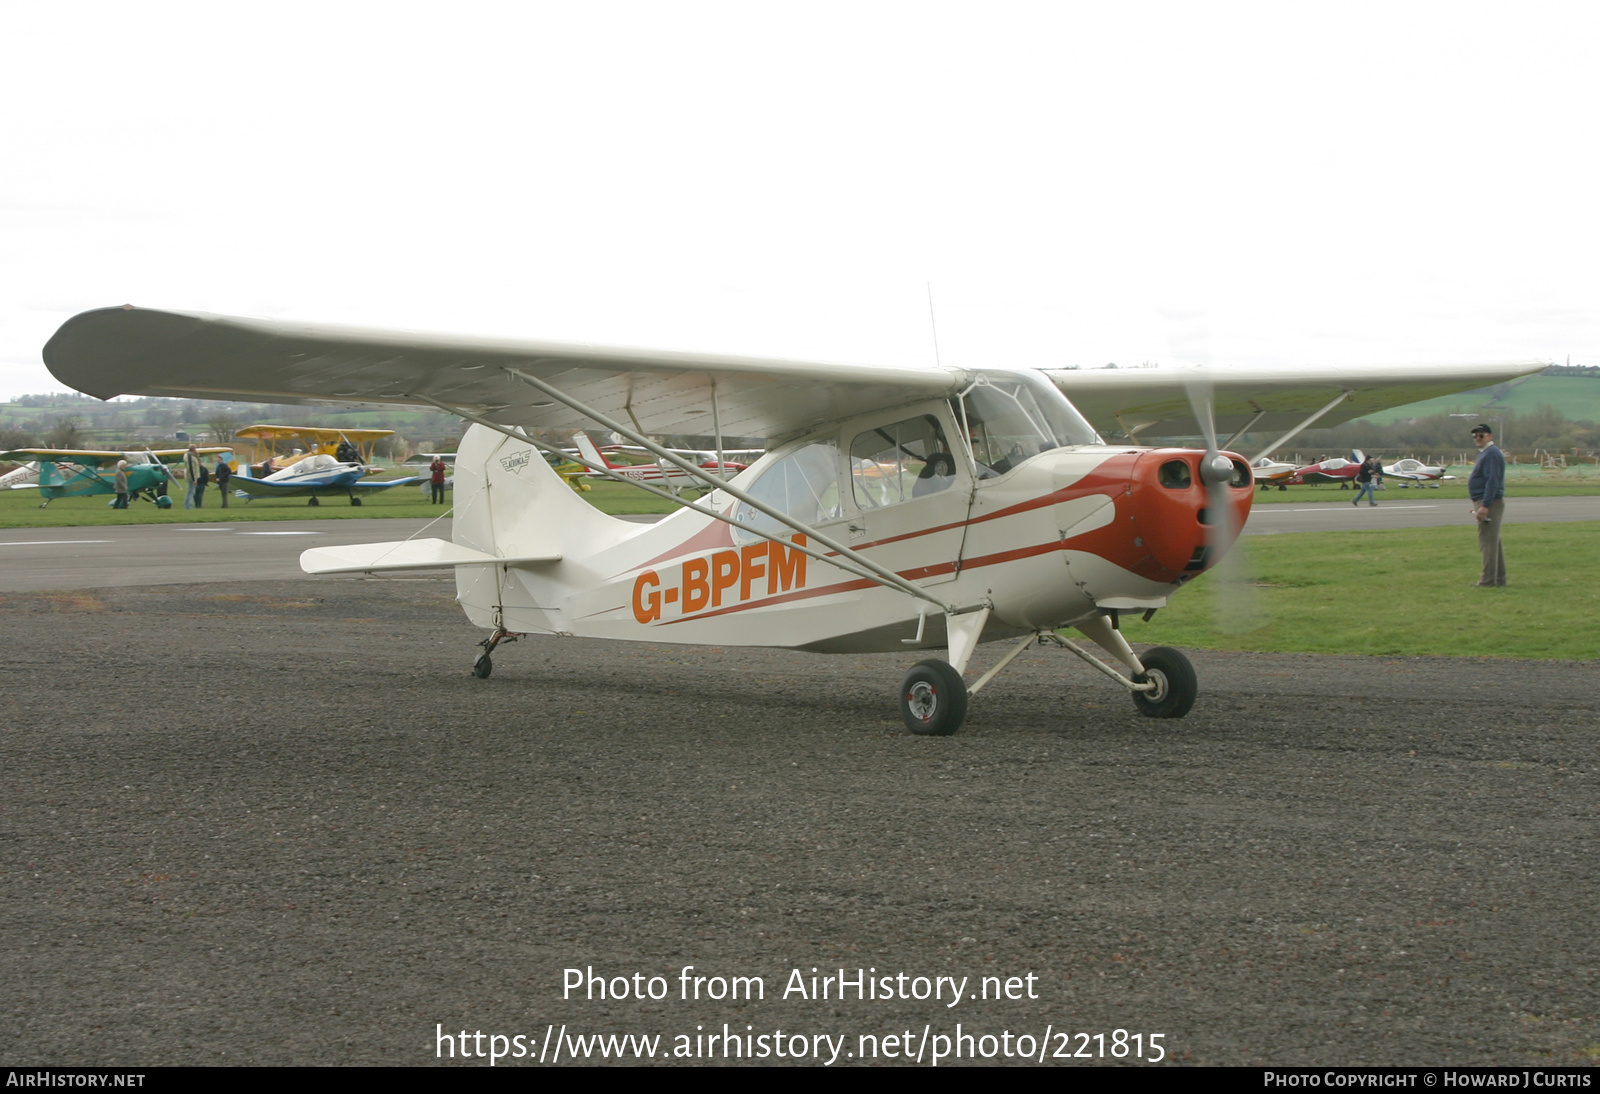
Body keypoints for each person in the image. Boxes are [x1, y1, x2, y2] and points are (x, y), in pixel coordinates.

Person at [1467, 423, 1506, 587]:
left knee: (1487, 542)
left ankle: (1488, 580)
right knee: (1493, 541)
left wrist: (1485, 506)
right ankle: (1499, 578)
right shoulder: (1485, 453)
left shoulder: (1491, 453)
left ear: (1490, 436)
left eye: (1481, 435)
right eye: (1475, 436)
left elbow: (1492, 481)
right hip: (1483, 500)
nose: (1477, 438)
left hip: (1488, 501)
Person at [182, 444, 203, 509]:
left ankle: (188, 505)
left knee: (191, 491)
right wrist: (194, 479)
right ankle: (188, 506)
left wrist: (197, 456)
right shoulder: (189, 457)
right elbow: (191, 468)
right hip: (191, 476)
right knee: (190, 491)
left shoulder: (191, 456)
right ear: (193, 449)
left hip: (192, 476)